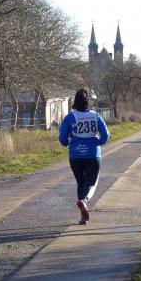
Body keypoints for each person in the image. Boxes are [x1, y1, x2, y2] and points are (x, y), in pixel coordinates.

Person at [59, 88, 109, 224]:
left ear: (75, 101)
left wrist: (69, 143)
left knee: (81, 183)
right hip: (93, 154)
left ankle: (82, 217)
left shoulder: (69, 117)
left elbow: (62, 139)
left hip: (75, 155)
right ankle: (84, 201)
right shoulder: (96, 116)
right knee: (92, 183)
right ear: (88, 102)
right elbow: (105, 135)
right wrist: (97, 142)